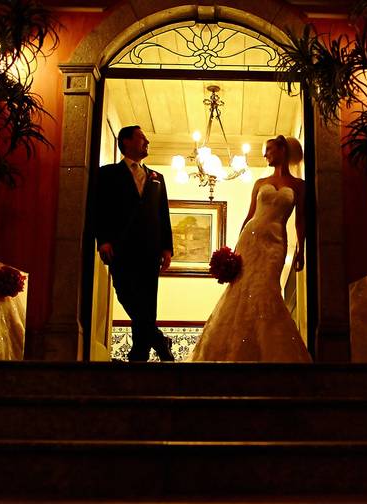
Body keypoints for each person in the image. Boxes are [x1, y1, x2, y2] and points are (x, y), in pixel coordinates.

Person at [188, 135, 311, 362]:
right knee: (241, 289)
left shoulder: (298, 185)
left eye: (269, 150)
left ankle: (269, 351)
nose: (265, 155)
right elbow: (249, 216)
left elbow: (300, 220)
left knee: (267, 288)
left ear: (282, 150)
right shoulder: (259, 183)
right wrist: (235, 250)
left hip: (276, 241)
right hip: (251, 239)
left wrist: (300, 250)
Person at [92, 125, 175, 362]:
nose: (147, 141)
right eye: (142, 138)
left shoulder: (157, 178)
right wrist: (103, 240)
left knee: (148, 302)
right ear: (126, 142)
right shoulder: (107, 174)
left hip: (150, 250)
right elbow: (100, 209)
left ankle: (139, 354)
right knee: (125, 294)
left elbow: (163, 214)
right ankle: (159, 339)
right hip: (120, 248)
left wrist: (167, 248)